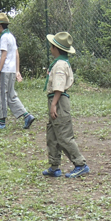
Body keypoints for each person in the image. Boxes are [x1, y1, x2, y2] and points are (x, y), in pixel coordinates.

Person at [42, 32, 90, 178]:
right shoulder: (60, 62)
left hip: (59, 100)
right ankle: (54, 165)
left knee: (63, 135)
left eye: (51, 46)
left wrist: (54, 104)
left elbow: (59, 87)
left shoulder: (61, 65)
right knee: (53, 134)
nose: (50, 48)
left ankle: (80, 164)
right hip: (56, 100)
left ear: (56, 48)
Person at [0, 12, 35, 130]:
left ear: (0, 26)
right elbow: (16, 54)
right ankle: (27, 116)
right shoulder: (11, 37)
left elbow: (4, 55)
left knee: (1, 96)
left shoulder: (4, 38)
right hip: (11, 70)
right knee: (11, 96)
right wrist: (17, 70)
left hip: (4, 71)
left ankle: (2, 122)